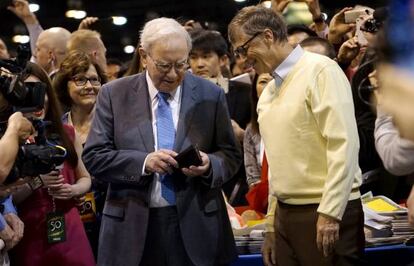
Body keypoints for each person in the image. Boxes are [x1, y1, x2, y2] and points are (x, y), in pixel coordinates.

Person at [82, 17, 241, 266]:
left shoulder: (211, 94)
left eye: (181, 65)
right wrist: (144, 162)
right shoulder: (114, 94)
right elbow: (94, 156)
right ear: (144, 56)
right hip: (132, 228)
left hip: (197, 224)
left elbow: (230, 155)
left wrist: (209, 164)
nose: (174, 74)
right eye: (164, 65)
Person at [228, 6, 363, 266]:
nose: (243, 59)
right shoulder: (267, 93)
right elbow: (276, 167)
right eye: (238, 53)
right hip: (284, 216)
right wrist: (270, 225)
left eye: (243, 49)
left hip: (324, 210)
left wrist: (331, 213)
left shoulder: (321, 70)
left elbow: (343, 145)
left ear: (267, 36)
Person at [9, 62, 95, 266]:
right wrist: (36, 182)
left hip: (70, 223)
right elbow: (6, 196)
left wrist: (73, 189)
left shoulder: (66, 132)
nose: (38, 99)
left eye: (41, 90)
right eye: (27, 91)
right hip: (28, 230)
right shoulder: (7, 140)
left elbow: (85, 178)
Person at [54, 50, 107, 257]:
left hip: (109, 213)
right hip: (70, 215)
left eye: (94, 80)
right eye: (80, 80)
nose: (89, 86)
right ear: (64, 86)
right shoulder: (57, 129)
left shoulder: (113, 124)